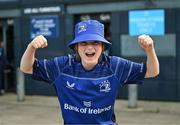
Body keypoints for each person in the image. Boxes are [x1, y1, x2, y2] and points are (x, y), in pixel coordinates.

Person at [20, 20, 159, 124]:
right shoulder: (61, 66)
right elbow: (26, 67)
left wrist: (150, 49)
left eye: (95, 42)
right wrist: (31, 47)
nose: (90, 48)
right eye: (84, 43)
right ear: (76, 47)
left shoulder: (115, 66)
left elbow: (152, 71)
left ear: (103, 46)